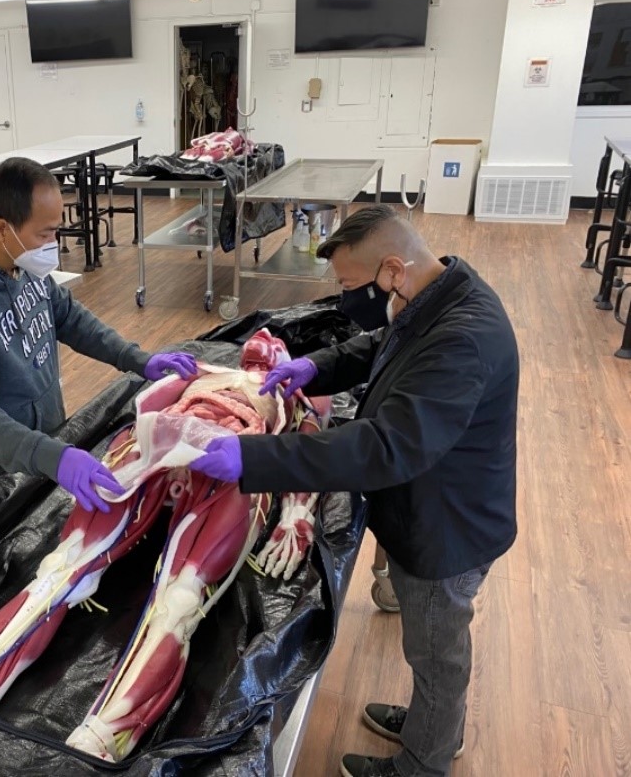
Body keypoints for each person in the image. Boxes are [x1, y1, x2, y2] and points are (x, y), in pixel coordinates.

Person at [189, 205, 519, 777]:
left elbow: (384, 448)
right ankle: (432, 722)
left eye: (348, 286)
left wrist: (252, 456)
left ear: (392, 270)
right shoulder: (435, 294)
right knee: (432, 648)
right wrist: (316, 368)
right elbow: (382, 347)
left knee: (436, 651)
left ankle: (424, 759)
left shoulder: (464, 338)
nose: (344, 299)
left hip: (449, 528)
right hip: (433, 501)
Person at [0, 157, 196, 509]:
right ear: (2, 229)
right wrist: (51, 456)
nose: (52, 242)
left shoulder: (19, 256)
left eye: (56, 230)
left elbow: (67, 316)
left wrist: (135, 358)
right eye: (45, 233)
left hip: (46, 441)